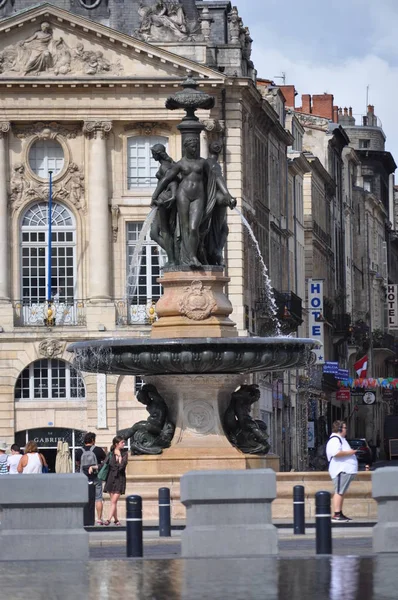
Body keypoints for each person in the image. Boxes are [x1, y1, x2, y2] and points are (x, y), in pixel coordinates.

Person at [326, 420, 358, 522]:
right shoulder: (335, 439)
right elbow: (336, 453)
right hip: (341, 470)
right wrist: (350, 452)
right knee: (339, 491)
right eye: (345, 428)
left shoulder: (340, 439)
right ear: (339, 429)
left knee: (341, 492)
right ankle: (336, 514)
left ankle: (339, 512)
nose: (346, 430)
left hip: (345, 470)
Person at [75, 432, 107, 526]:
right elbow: (104, 462)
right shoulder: (98, 450)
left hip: (83, 478)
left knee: (83, 497)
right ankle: (99, 519)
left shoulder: (79, 451)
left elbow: (77, 463)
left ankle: (83, 517)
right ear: (93, 440)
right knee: (98, 498)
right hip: (96, 477)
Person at [103, 436, 128, 526]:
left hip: (119, 479)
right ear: (116, 444)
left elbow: (122, 467)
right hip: (110, 478)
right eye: (122, 442)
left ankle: (108, 520)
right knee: (114, 502)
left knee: (113, 501)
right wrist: (93, 467)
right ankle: (116, 520)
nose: (124, 444)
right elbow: (104, 465)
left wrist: (120, 457)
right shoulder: (110, 454)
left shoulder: (124, 454)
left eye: (124, 442)